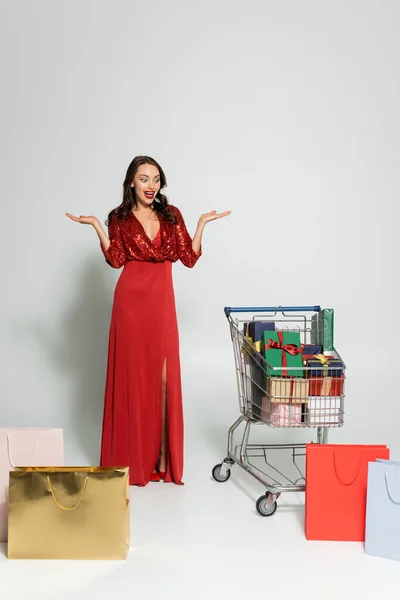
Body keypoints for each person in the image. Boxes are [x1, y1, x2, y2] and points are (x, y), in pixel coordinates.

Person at [66, 155, 230, 486]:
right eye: (144, 179)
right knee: (133, 378)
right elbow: (115, 260)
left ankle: (163, 461)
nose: (151, 185)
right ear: (131, 182)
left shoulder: (172, 215)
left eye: (156, 179)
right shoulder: (119, 218)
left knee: (165, 379)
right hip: (129, 304)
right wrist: (98, 226)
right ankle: (134, 461)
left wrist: (200, 224)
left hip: (161, 304)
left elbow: (188, 257)